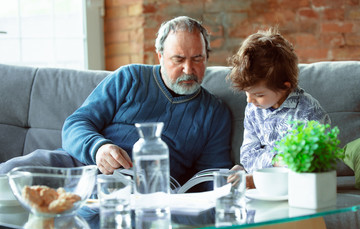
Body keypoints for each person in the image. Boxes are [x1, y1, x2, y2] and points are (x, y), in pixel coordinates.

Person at [0, 16, 233, 188]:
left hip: (139, 185)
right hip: (78, 161)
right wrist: (98, 147)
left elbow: (209, 178)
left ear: (207, 57)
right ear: (160, 56)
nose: (188, 69)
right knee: (10, 174)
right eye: (178, 59)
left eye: (198, 59)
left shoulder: (215, 113)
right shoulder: (130, 77)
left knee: (89, 204)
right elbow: (77, 123)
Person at [228, 27, 330, 188]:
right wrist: (277, 160)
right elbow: (247, 157)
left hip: (300, 188)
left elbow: (307, 167)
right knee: (235, 172)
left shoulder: (308, 113)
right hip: (263, 185)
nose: (249, 100)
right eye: (247, 93)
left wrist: (258, 174)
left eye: (259, 94)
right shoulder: (254, 109)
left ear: (285, 86)